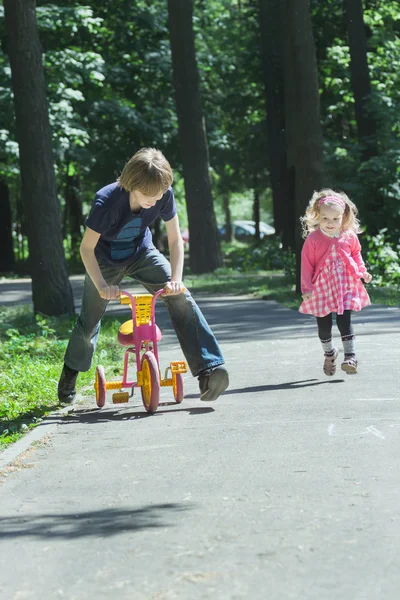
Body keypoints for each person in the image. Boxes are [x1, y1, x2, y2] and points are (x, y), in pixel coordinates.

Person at [58, 147, 229, 403]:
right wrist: (103, 284)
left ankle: (209, 371)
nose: (155, 199)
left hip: (142, 253)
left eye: (160, 194)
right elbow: (86, 248)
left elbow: (174, 240)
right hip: (104, 261)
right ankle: (70, 372)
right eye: (149, 195)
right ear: (130, 184)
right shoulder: (106, 202)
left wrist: (176, 279)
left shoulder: (163, 194)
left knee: (181, 297)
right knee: (89, 320)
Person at [299, 189, 372, 375]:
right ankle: (330, 353)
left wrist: (362, 272)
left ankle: (350, 357)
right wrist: (306, 288)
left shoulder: (348, 236)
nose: (330, 223)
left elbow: (356, 254)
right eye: (325, 218)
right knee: (324, 326)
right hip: (321, 287)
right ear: (318, 216)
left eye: (335, 219)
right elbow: (306, 265)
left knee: (344, 319)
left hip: (345, 285)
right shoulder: (313, 239)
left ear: (343, 217)